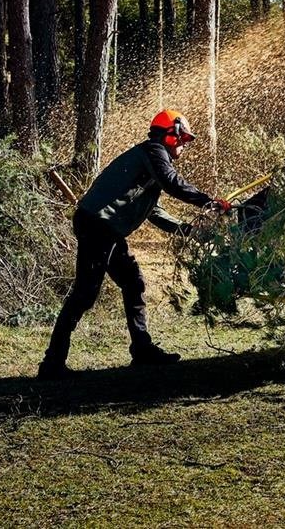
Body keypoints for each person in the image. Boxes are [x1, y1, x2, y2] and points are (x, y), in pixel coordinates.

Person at [38, 110, 231, 380]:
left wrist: (187, 231)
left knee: (133, 282)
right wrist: (209, 202)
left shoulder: (150, 164)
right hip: (98, 227)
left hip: (105, 229)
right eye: (183, 138)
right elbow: (173, 183)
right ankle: (51, 364)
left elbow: (156, 212)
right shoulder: (154, 151)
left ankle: (142, 350)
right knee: (84, 294)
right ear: (171, 134)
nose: (185, 144)